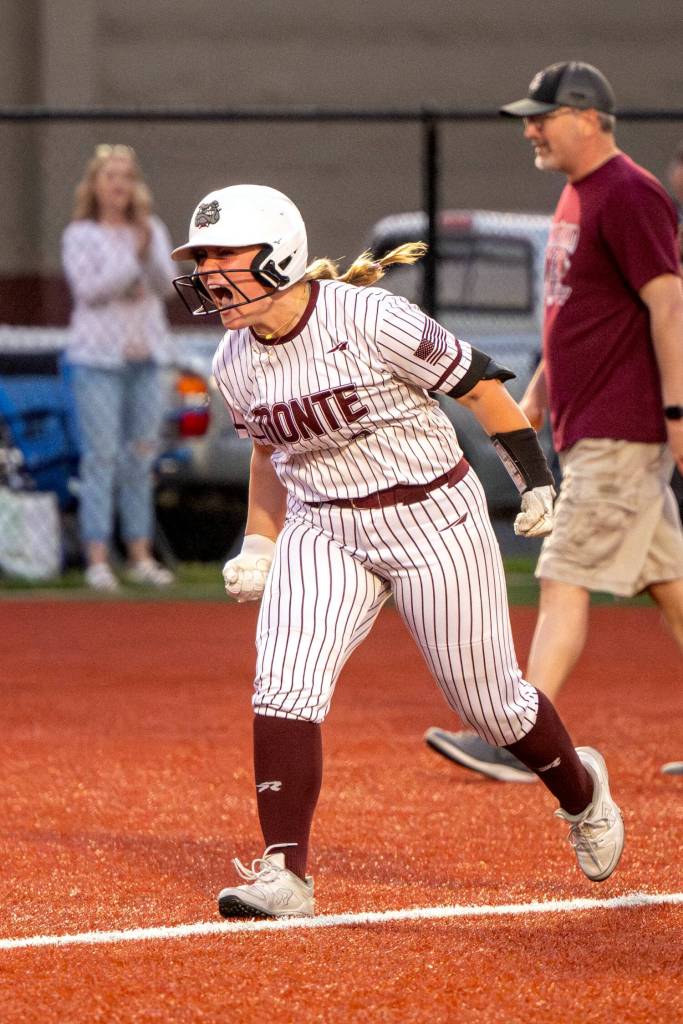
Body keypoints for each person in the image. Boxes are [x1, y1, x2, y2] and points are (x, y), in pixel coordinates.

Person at [170, 183, 624, 919]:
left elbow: (479, 389)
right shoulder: (233, 359)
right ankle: (285, 872)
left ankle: (581, 790)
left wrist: (535, 481)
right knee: (282, 682)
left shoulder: (368, 317)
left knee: (491, 705)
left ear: (278, 255)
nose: (208, 273)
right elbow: (266, 454)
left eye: (224, 254)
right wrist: (260, 539)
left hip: (431, 517)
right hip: (324, 527)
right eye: (201, 259)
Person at [426, 62, 683, 783]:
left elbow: (669, 306)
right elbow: (577, 319)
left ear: (588, 119)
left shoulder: (629, 192)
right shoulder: (579, 193)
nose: (531, 130)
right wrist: (536, 397)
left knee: (563, 575)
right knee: (670, 584)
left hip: (619, 429)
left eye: (542, 117)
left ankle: (520, 740)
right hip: (592, 422)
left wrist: (676, 410)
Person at [62, 144, 176, 590]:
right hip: (97, 361)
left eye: (126, 176)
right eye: (109, 176)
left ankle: (140, 554)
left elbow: (166, 286)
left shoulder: (151, 229)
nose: (118, 184)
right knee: (101, 458)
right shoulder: (81, 234)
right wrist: (132, 260)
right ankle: (96, 557)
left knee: (141, 456)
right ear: (94, 184)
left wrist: (147, 249)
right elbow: (89, 290)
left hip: (146, 359)